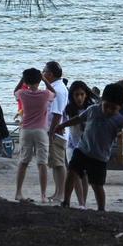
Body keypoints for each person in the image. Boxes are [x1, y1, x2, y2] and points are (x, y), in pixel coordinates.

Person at [55, 83, 123, 211]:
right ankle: (66, 201)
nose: (109, 110)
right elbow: (78, 119)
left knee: (97, 185)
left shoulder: (119, 120)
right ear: (102, 101)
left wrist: (121, 154)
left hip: (100, 157)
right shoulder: (93, 110)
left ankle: (101, 209)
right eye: (106, 106)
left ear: (120, 107)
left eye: (114, 108)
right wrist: (62, 125)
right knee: (72, 173)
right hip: (82, 150)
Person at [14, 68, 56, 203]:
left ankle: (18, 192)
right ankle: (43, 195)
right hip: (41, 131)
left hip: (26, 130)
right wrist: (45, 80)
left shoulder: (22, 93)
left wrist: (23, 79)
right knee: (42, 163)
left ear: (26, 81)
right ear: (39, 81)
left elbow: (15, 91)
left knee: (23, 161)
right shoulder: (44, 94)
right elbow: (54, 93)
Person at [64, 80, 95, 207]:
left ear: (86, 94)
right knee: (75, 174)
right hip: (72, 145)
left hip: (87, 145)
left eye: (82, 94)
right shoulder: (69, 109)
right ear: (72, 96)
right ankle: (81, 202)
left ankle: (83, 202)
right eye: (76, 95)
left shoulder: (92, 109)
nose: (79, 98)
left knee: (85, 175)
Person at [43, 61, 70, 203]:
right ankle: (57, 191)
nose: (42, 74)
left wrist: (51, 131)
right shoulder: (55, 87)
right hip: (54, 129)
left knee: (59, 163)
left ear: (50, 74)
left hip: (56, 131)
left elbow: (57, 113)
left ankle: (61, 193)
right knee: (54, 162)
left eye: (44, 71)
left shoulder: (58, 89)